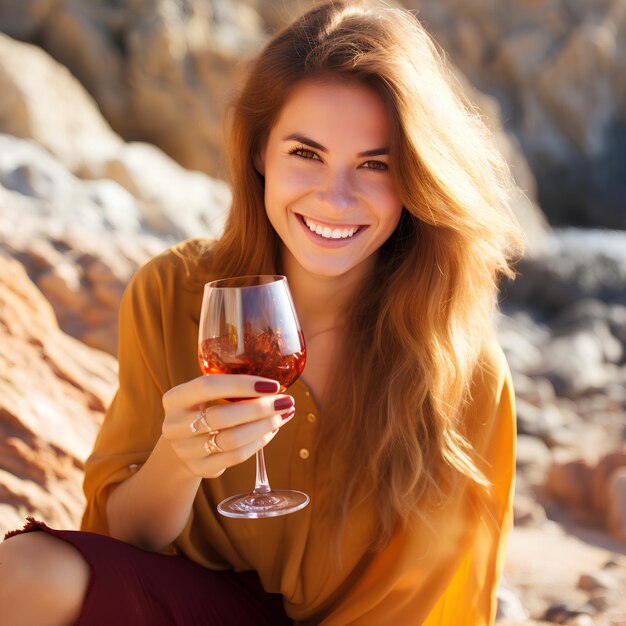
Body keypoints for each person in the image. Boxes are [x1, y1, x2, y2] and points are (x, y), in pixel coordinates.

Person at [0, 1, 524, 624]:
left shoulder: (463, 369)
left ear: (415, 176)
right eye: (307, 153)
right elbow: (122, 542)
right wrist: (178, 458)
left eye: (375, 165)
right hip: (205, 610)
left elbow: (438, 601)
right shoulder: (173, 294)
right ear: (258, 153)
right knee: (24, 572)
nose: (335, 197)